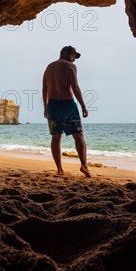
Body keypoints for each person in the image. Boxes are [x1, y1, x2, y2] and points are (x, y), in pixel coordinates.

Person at [42, 45, 91, 177]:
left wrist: (45, 107)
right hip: (67, 105)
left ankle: (59, 169)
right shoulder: (70, 66)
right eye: (73, 55)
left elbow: (44, 89)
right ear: (66, 53)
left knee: (56, 137)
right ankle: (84, 166)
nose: (74, 59)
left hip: (52, 104)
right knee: (78, 135)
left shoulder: (49, 67)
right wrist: (83, 106)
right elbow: (75, 87)